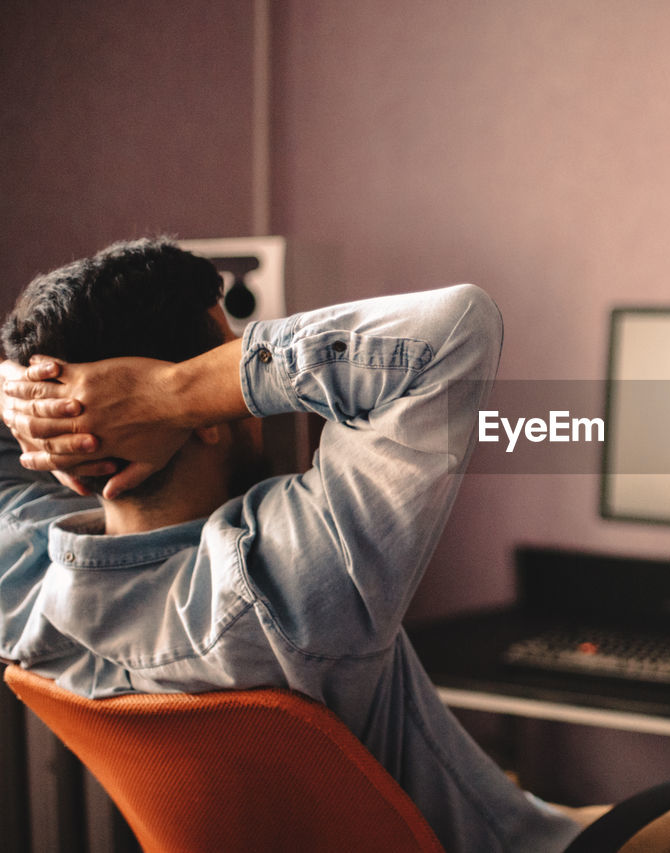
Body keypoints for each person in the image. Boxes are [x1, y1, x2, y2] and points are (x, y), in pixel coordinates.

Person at [0, 238, 583, 852]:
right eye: (222, 360)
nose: (230, 379)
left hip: (494, 819)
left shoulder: (24, 592)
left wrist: (37, 398)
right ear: (204, 413)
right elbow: (455, 329)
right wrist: (169, 394)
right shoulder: (289, 580)